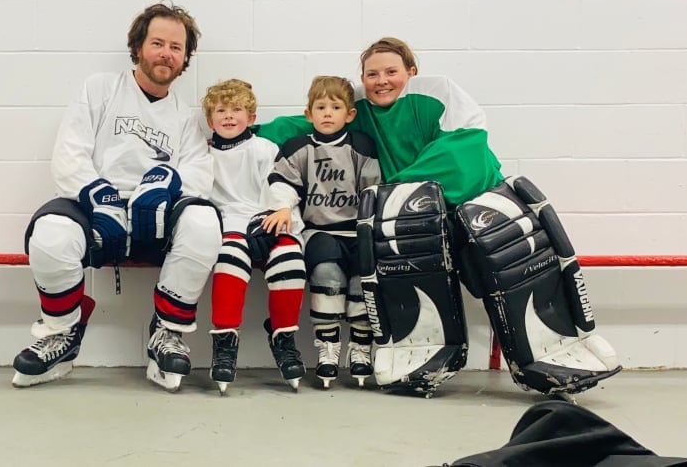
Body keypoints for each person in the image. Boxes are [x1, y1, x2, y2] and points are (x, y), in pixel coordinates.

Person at [254, 37, 621, 397]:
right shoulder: (355, 105)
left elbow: (468, 144)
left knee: (505, 262)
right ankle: (425, 353)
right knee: (415, 260)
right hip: (416, 213)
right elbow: (302, 125)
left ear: (411, 71)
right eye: (372, 73)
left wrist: (399, 188)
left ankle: (549, 350)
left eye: (391, 71)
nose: (381, 80)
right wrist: (243, 132)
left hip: (470, 198)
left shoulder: (436, 93)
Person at [12, 2, 221, 393]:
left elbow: (199, 173)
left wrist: (165, 183)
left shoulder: (184, 116)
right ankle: (62, 332)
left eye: (176, 47)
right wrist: (98, 195)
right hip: (94, 209)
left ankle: (168, 333)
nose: (166, 53)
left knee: (205, 223)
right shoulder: (100, 88)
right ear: (138, 46)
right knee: (50, 234)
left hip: (152, 219)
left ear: (185, 58)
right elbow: (69, 150)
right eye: (158, 42)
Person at [261, 76, 381, 389]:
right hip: (320, 231)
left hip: (358, 232)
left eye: (336, 107)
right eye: (321, 106)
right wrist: (284, 207)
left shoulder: (361, 146)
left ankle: (360, 347)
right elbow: (281, 183)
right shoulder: (298, 148)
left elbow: (374, 191)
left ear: (350, 114)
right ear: (308, 113)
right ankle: (327, 349)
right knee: (327, 276)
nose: (328, 113)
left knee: (360, 282)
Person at [202, 78, 307, 393]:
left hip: (267, 219)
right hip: (229, 224)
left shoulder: (264, 148)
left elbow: (281, 185)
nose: (229, 116)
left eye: (237, 109)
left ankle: (283, 338)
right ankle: (224, 342)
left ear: (251, 116)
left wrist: (276, 213)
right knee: (229, 259)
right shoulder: (203, 154)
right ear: (210, 120)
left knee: (290, 261)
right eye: (221, 110)